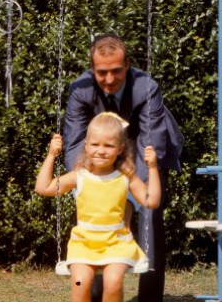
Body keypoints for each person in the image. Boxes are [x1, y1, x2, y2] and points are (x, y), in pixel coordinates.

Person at [63, 33, 184, 302]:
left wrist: (128, 190)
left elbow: (150, 143)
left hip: (144, 150)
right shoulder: (80, 90)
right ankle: (94, 294)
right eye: (102, 72)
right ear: (92, 69)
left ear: (127, 65)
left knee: (150, 213)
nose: (109, 79)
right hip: (99, 153)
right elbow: (73, 143)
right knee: (92, 207)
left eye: (116, 71)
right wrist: (89, 181)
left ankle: (150, 298)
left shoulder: (146, 87)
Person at [36, 113, 161, 302]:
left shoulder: (125, 177)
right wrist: (52, 155)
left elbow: (151, 201)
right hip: (84, 244)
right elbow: (43, 188)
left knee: (112, 282)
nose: (101, 151)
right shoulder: (79, 176)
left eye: (108, 145)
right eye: (95, 144)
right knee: (80, 283)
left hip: (116, 244)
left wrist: (152, 168)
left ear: (120, 149)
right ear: (86, 147)